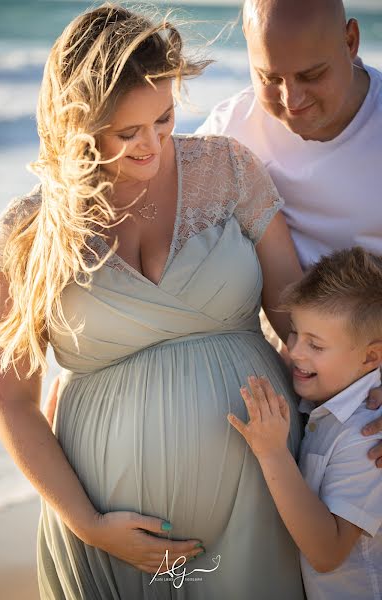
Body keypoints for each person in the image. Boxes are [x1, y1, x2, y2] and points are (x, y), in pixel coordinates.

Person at [0, 4, 306, 599]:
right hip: (106, 532)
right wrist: (91, 525)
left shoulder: (228, 169)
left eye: (164, 118)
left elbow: (299, 321)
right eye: (127, 133)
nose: (153, 144)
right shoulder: (31, 229)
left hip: (263, 500)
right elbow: (11, 397)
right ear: (76, 127)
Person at [197, 0, 382, 458]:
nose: (291, 99)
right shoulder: (230, 130)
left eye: (312, 75)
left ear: (351, 41)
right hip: (289, 378)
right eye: (269, 79)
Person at [228, 246, 382, 599]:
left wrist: (272, 454)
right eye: (295, 333)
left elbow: (327, 553)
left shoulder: (366, 438)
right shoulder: (321, 402)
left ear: (371, 357)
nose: (295, 351)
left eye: (316, 345)